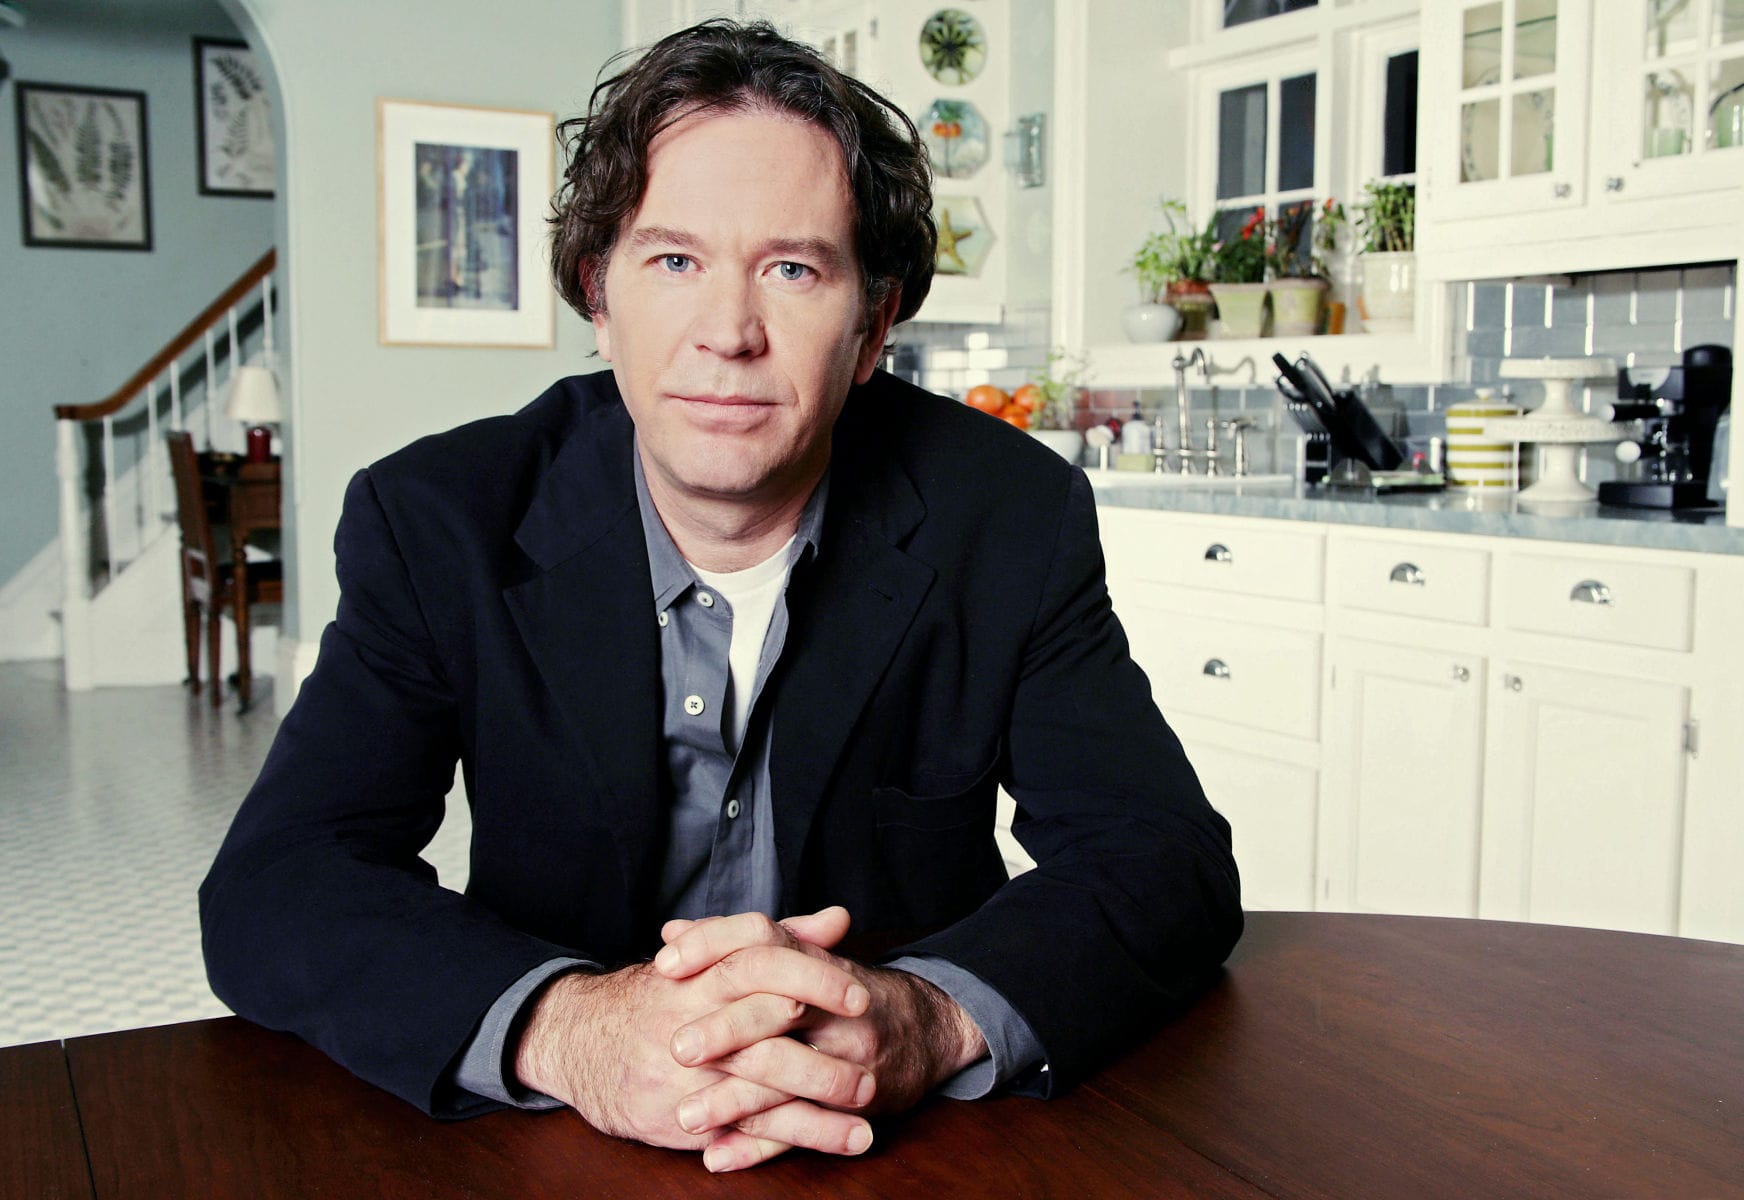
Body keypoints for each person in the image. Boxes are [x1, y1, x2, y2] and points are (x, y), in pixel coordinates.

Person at [199, 19, 1242, 1175]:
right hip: (560, 1140)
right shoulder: (438, 521)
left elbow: (1164, 858)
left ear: (871, 327)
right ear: (599, 297)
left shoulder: (1009, 516)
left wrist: (928, 1017)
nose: (729, 334)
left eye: (793, 269)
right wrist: (568, 1030)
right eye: (673, 262)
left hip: (906, 1145)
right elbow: (276, 883)